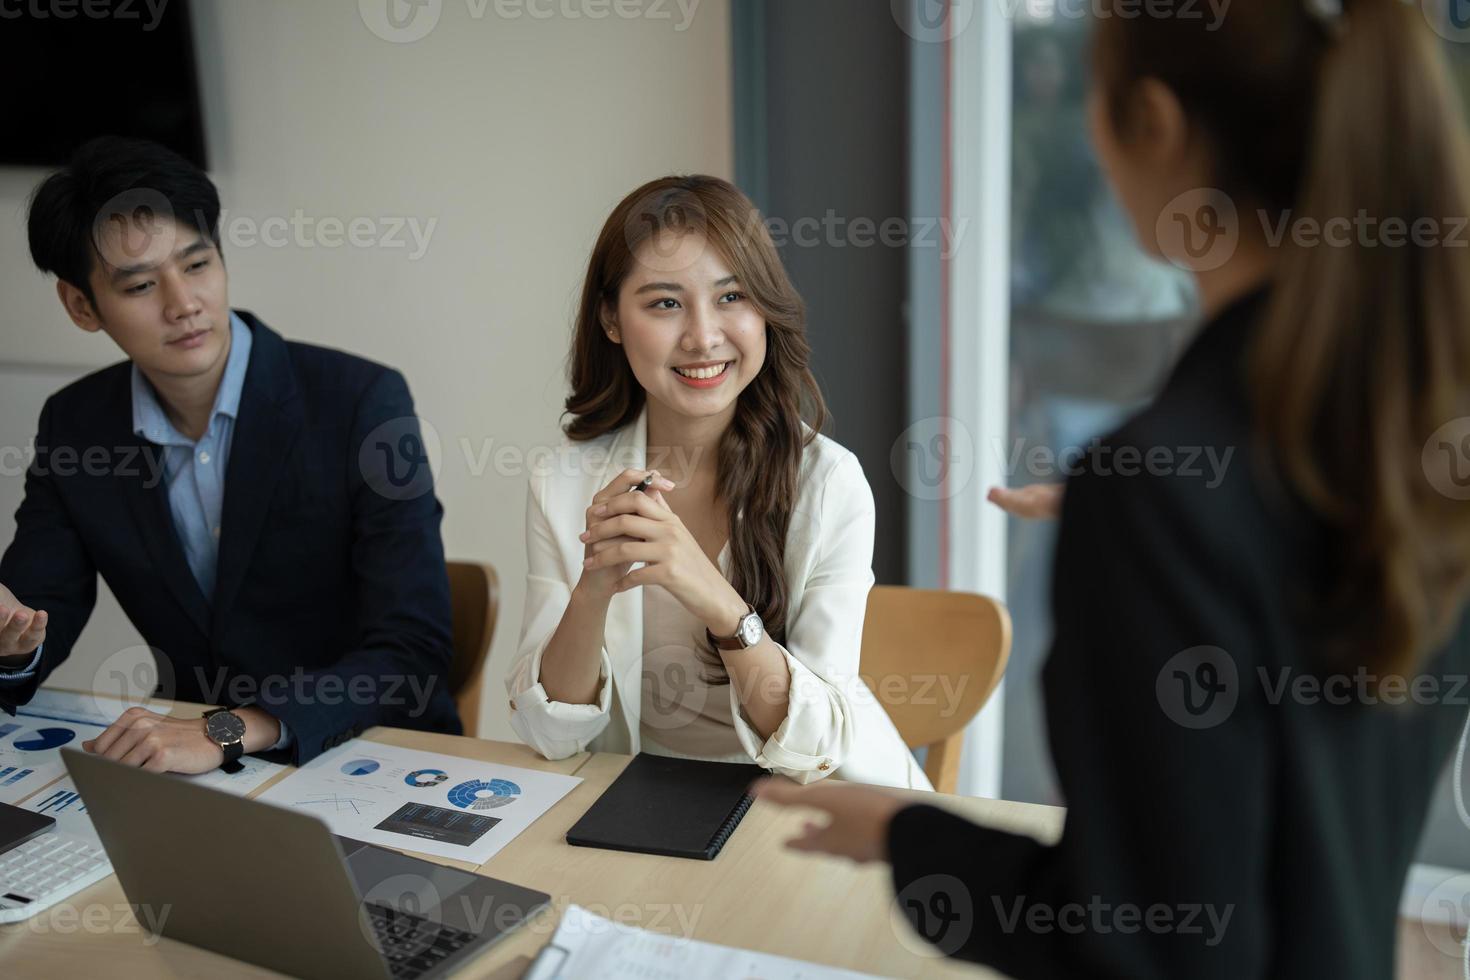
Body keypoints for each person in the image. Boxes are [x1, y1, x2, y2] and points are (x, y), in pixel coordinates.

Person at [755, 2, 1470, 977]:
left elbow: (1138, 941)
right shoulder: (1400, 450)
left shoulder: (1171, 500)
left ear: (1157, 124)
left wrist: (907, 833)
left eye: (1094, 92)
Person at [0, 136, 461, 773]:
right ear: (83, 306)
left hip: (370, 752)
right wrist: (9, 644)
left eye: (196, 265)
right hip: (198, 765)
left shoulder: (361, 401)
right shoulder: (78, 425)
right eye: (139, 285)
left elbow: (413, 648)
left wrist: (226, 730)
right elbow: (32, 614)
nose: (183, 303)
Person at [506, 176, 929, 789]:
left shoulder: (829, 483)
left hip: (813, 807)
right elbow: (551, 735)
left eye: (731, 297)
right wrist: (592, 587)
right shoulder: (563, 481)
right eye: (665, 303)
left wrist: (715, 598)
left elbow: (817, 746)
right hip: (649, 803)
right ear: (612, 319)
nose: (704, 336)